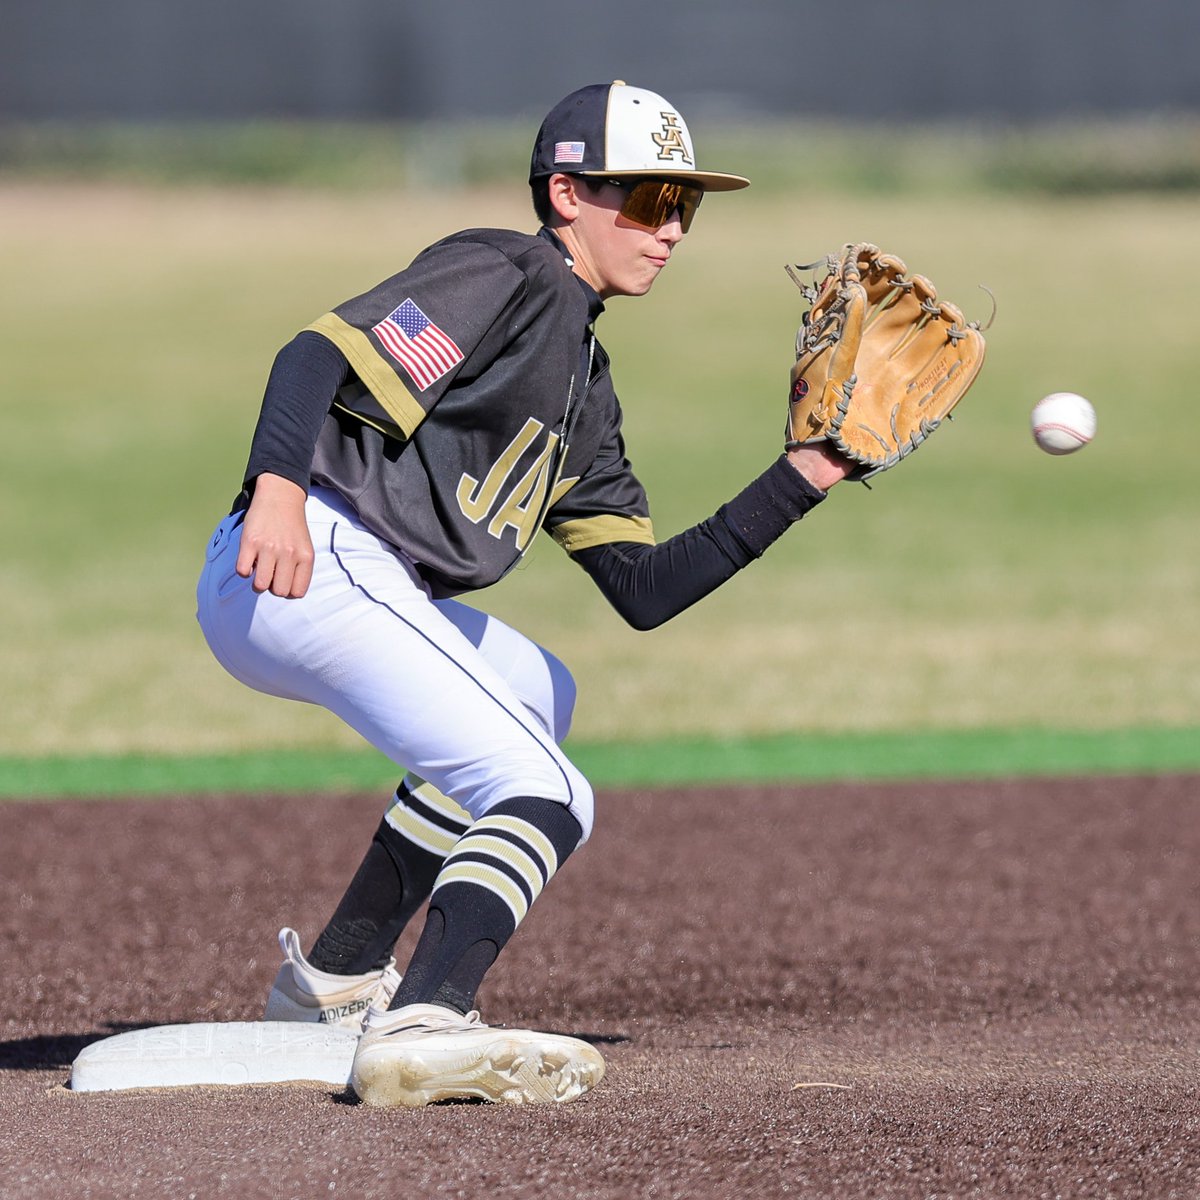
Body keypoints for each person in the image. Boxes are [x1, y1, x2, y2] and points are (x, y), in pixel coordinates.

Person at [196, 80, 851, 1108]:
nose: (669, 228)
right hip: (309, 556)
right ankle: (429, 1011)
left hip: (360, 584)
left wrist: (808, 473)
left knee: (540, 690)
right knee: (549, 791)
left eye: (685, 207)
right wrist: (275, 488)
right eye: (644, 200)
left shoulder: (587, 384)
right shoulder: (510, 271)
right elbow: (316, 351)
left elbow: (642, 587)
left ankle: (333, 978)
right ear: (565, 194)